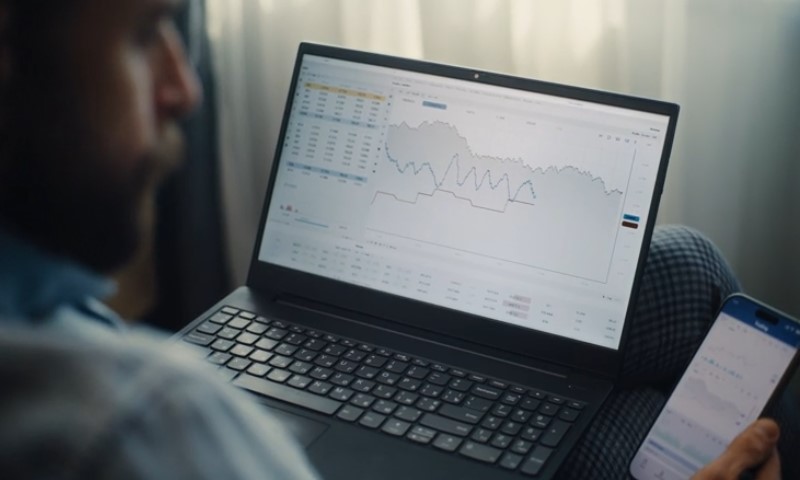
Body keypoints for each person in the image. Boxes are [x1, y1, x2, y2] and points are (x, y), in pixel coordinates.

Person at [0, 0, 789, 478]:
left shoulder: (56, 322)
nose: (185, 88)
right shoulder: (149, 425)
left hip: (292, 344)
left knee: (683, 277)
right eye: (144, 35)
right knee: (666, 367)